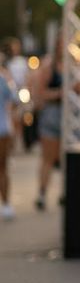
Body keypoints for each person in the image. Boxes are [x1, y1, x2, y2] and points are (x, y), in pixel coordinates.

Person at [32, 35, 65, 209]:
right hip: (52, 114)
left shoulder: (74, 65)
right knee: (48, 158)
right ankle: (42, 193)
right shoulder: (48, 66)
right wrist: (60, 93)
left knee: (64, 157)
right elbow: (40, 93)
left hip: (68, 117)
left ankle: (64, 193)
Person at [0, 53, 18, 218]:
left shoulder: (3, 79)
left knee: (3, 167)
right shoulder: (4, 78)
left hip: (3, 129)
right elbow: (13, 101)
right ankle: (5, 204)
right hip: (3, 129)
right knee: (2, 168)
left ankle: (6, 204)